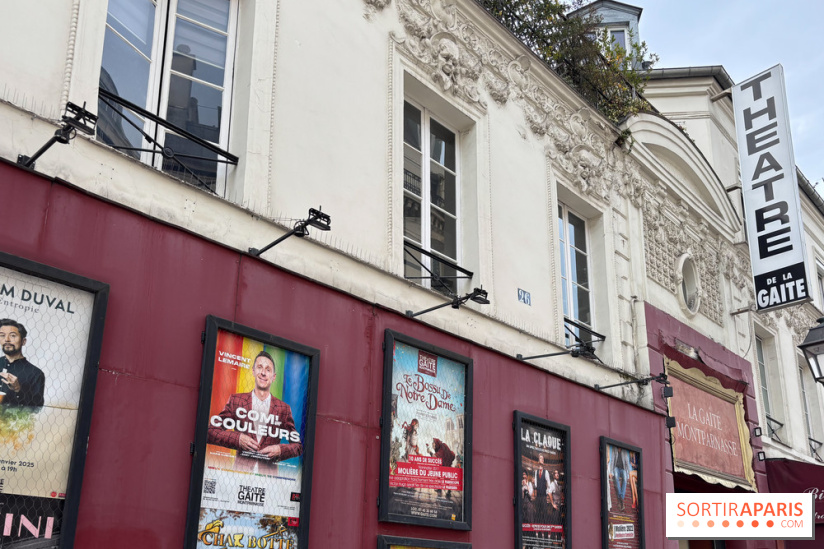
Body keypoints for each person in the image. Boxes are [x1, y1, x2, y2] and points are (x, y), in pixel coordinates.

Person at [207, 351, 302, 473]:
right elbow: (211, 432)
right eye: (259, 367)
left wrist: (280, 450)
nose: (263, 373)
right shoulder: (237, 401)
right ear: (253, 371)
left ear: (274, 377)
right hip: (240, 475)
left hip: (269, 479)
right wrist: (238, 439)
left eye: (268, 369)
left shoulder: (283, 409)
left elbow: (298, 446)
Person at [0, 319, 45, 408]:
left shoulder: (36, 374)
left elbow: (36, 409)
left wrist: (18, 389)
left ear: (23, 341)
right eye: (2, 335)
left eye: (12, 336)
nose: (6, 340)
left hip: (12, 421)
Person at [609, 445, 631, 512]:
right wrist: (611, 471)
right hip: (616, 467)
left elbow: (627, 462)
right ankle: (621, 498)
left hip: (623, 468)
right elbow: (612, 460)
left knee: (625, 478)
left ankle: (620, 497)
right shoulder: (614, 449)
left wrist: (629, 473)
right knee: (616, 477)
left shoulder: (624, 451)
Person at [534, 454, 550, 537]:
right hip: (538, 497)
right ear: (538, 461)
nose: (542, 460)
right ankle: (539, 534)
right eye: (540, 458)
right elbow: (536, 485)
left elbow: (549, 484)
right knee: (538, 515)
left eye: (543, 459)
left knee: (545, 515)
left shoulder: (546, 472)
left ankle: (546, 534)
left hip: (543, 496)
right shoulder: (536, 472)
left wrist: (546, 493)